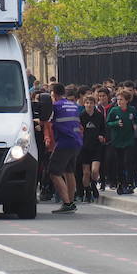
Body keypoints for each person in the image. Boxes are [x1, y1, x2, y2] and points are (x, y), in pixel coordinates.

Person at [46, 83, 83, 214]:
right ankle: (71, 202)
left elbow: (46, 120)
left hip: (64, 142)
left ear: (54, 94)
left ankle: (67, 203)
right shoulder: (73, 105)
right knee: (69, 171)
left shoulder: (55, 106)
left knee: (54, 172)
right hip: (76, 141)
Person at [106, 91, 137, 195]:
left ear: (127, 101)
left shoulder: (131, 110)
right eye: (118, 99)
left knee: (128, 162)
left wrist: (135, 125)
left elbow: (136, 119)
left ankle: (129, 183)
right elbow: (108, 122)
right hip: (117, 141)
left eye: (122, 100)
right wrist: (116, 123)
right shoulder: (114, 110)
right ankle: (120, 183)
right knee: (119, 163)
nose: (119, 102)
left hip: (128, 140)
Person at [78, 94, 105, 202]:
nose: (89, 105)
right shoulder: (81, 116)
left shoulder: (99, 116)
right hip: (84, 147)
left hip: (96, 146)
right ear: (84, 104)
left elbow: (103, 128)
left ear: (95, 104)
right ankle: (87, 190)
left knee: (94, 170)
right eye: (87, 103)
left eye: (91, 103)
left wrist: (102, 136)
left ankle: (93, 184)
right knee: (86, 172)